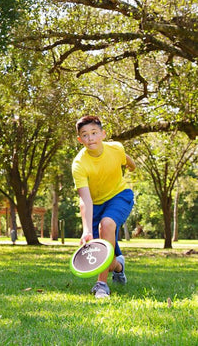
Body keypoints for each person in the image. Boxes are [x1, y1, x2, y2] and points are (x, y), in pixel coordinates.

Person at [71, 115, 136, 299]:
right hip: (95, 204)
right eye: (85, 135)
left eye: (94, 133)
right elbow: (85, 199)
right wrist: (85, 230)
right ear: (80, 139)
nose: (90, 138)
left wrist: (133, 166)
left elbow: (125, 158)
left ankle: (101, 286)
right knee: (99, 251)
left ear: (103, 134)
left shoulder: (115, 148)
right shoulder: (79, 164)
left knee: (106, 224)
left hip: (119, 196)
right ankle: (118, 266)